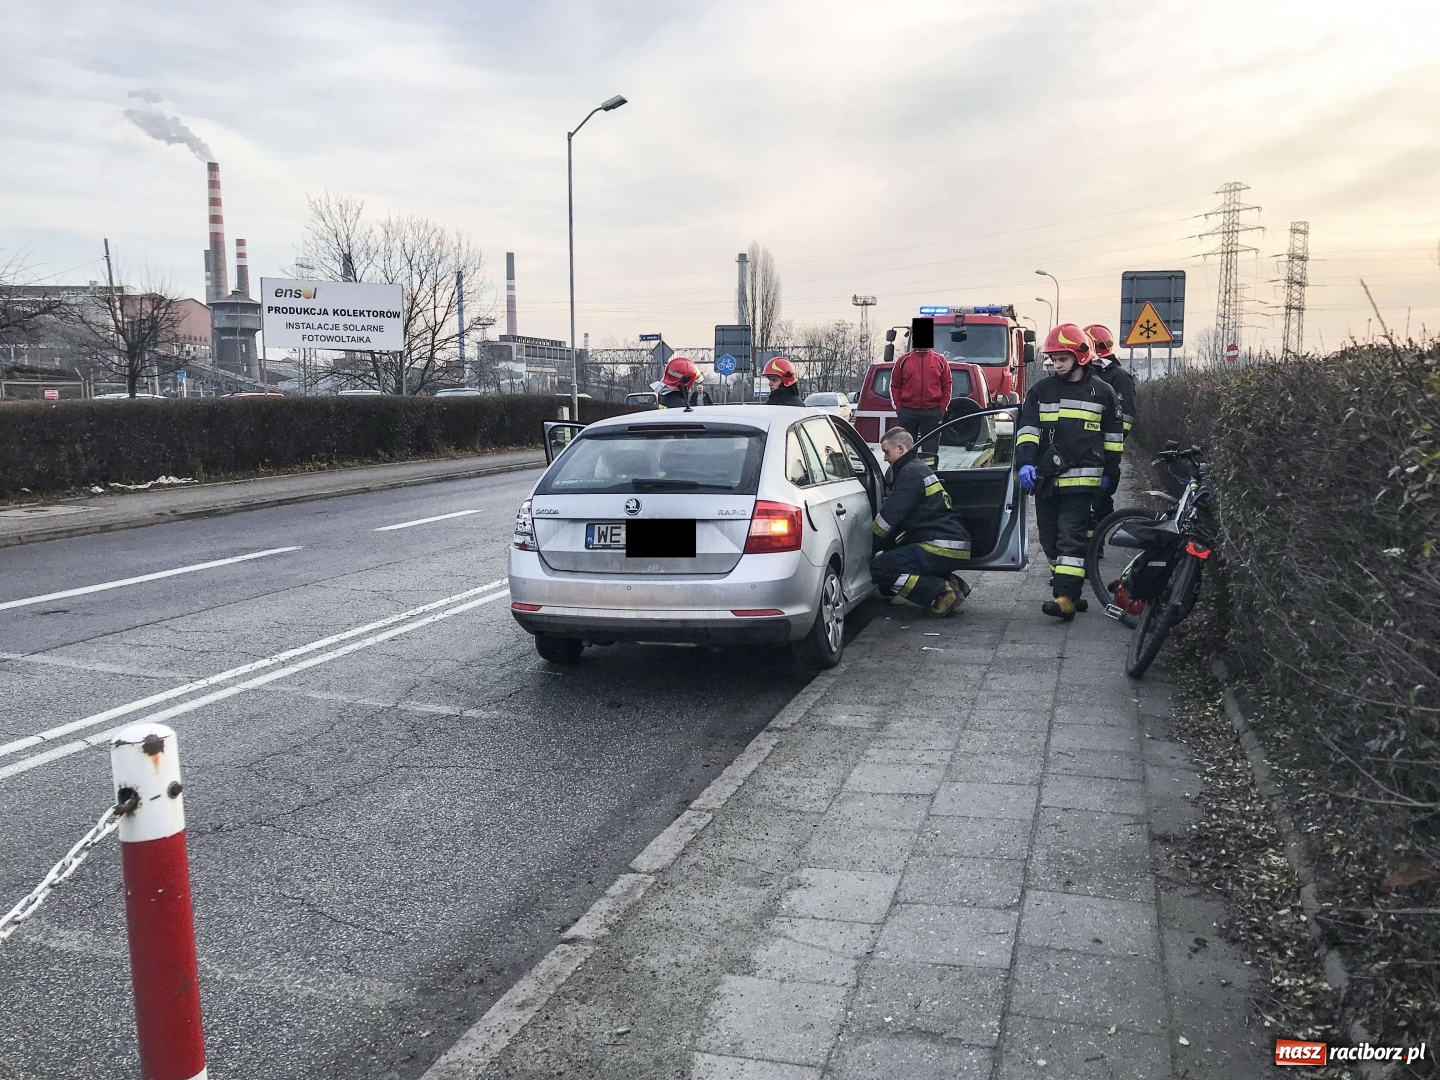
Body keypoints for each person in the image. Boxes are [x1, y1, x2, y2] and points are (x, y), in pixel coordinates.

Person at [1015, 323, 1123, 621]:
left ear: (1081, 356)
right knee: (1049, 540)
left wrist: (1109, 475)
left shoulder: (1103, 392)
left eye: (1062, 359)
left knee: (1070, 537)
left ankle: (1064, 598)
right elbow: (1028, 430)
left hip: (1083, 479)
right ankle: (1071, 589)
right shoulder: (1041, 390)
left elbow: (1114, 439)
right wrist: (1024, 462)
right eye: (1052, 359)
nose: (1055, 365)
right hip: (1047, 478)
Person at [869, 427, 972, 617]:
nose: (885, 458)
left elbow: (886, 520)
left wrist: (870, 547)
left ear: (900, 448)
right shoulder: (919, 468)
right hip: (952, 542)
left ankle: (941, 592)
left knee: (881, 567)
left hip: (939, 545)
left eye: (886, 452)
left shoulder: (909, 474)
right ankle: (952, 583)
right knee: (901, 556)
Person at [1083, 324, 1136, 522]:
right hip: (1084, 451)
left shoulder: (1119, 377)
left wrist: (1108, 448)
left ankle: (1097, 548)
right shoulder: (1085, 372)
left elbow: (1126, 418)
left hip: (1105, 455)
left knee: (1101, 506)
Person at [889, 317, 952, 457]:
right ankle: (907, 474)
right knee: (905, 450)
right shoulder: (902, 361)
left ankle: (928, 473)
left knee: (930, 451)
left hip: (932, 412)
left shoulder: (940, 361)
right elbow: (894, 385)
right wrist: (900, 409)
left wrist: (941, 409)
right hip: (908, 412)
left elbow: (947, 386)